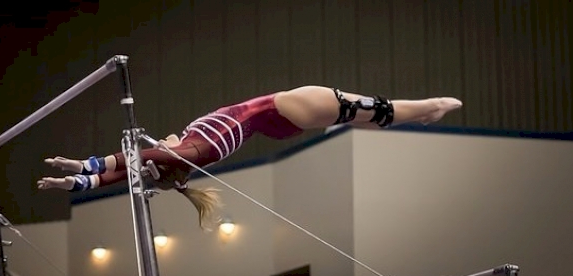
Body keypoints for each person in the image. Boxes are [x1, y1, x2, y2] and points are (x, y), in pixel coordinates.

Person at [38, 86, 462, 228]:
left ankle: (424, 113)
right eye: (160, 158)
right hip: (285, 107)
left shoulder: (188, 149)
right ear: (172, 159)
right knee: (371, 108)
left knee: (362, 118)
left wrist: (81, 184)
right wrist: (87, 166)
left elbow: (139, 165)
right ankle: (429, 106)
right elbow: (140, 156)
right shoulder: (200, 149)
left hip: (282, 120)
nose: (158, 142)